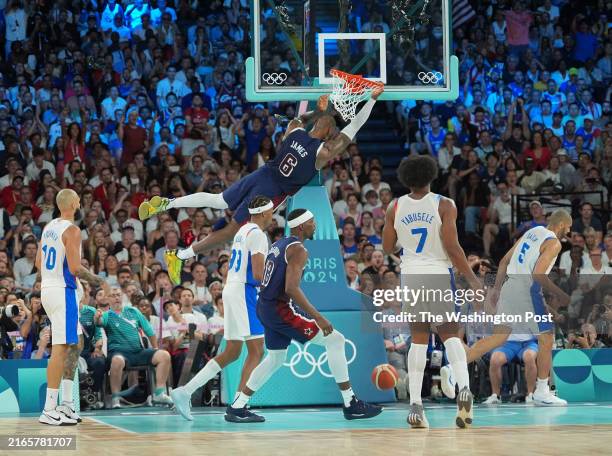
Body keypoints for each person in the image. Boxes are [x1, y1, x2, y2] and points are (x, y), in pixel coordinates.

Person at [139, 87, 384, 284]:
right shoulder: (323, 152)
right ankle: (180, 256)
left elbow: (302, 118)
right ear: (330, 131)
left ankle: (166, 203)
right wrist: (371, 102)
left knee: (219, 200)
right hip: (272, 192)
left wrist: (319, 110)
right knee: (231, 231)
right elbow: (351, 131)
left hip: (261, 175)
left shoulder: (294, 130)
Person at [225, 209, 382, 423]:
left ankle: (238, 405)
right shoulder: (299, 250)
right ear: (301, 226)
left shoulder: (279, 244)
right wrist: (318, 317)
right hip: (280, 310)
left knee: (275, 359)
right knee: (336, 340)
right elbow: (291, 288)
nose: (314, 225)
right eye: (311, 222)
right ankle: (351, 403)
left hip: (266, 306)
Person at [382, 155, 482, 429]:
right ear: (431, 175)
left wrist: (400, 230)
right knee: (450, 335)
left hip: (411, 274)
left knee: (418, 340)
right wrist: (473, 280)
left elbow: (388, 247)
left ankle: (415, 404)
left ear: (405, 178)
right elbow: (452, 246)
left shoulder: (395, 206)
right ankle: (464, 390)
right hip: (438, 272)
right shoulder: (444, 204)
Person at [441, 210, 573, 406]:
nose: (568, 232)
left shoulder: (533, 231)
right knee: (546, 339)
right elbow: (538, 275)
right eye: (568, 228)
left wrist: (495, 290)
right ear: (561, 225)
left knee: (498, 338)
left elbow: (504, 261)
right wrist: (561, 294)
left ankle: (453, 368)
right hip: (527, 291)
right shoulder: (554, 243)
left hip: (509, 288)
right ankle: (542, 392)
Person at [170, 196, 273, 420]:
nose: (273, 216)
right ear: (265, 213)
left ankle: (184, 391)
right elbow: (258, 274)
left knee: (233, 351)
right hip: (244, 292)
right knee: (257, 350)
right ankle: (239, 406)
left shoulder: (242, 231)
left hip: (231, 289)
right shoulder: (258, 235)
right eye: (271, 212)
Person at [37, 189, 108, 425]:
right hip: (62, 290)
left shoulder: (49, 228)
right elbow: (76, 268)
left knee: (76, 342)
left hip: (49, 288)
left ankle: (67, 404)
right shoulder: (73, 230)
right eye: (78, 198)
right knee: (61, 348)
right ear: (74, 204)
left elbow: (39, 262)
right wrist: (100, 281)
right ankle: (49, 408)